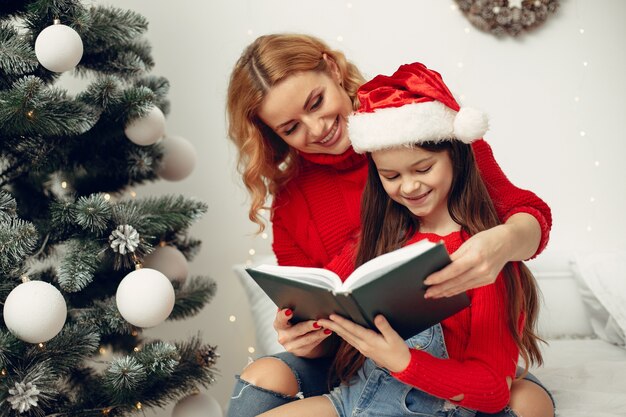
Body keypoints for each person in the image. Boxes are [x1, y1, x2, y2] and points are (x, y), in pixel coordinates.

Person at [226, 34, 553, 417]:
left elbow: (526, 211)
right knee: (263, 374)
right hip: (356, 359)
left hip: (448, 356)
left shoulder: (419, 123)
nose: (316, 129)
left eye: (316, 103)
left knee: (527, 403)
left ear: (332, 68)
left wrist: (504, 240)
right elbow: (322, 303)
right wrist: (304, 336)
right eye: (290, 128)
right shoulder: (291, 202)